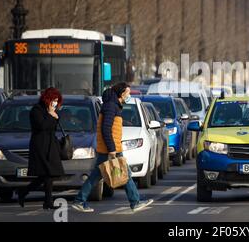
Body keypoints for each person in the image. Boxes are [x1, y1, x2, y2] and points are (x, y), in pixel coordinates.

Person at [72, 83, 153, 213]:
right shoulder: (111, 106)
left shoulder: (113, 105)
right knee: (125, 174)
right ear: (121, 94)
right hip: (110, 148)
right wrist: (112, 149)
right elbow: (106, 128)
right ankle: (135, 201)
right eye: (128, 93)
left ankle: (80, 200)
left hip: (110, 147)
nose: (129, 95)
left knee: (97, 176)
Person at [17, 88, 64, 210]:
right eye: (53, 100)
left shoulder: (53, 112)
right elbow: (42, 126)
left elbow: (53, 128)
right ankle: (47, 201)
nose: (54, 103)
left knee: (49, 174)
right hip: (40, 146)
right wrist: (51, 115)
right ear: (47, 99)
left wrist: (54, 116)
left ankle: (25, 192)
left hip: (51, 146)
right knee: (47, 174)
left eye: (56, 101)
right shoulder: (36, 110)